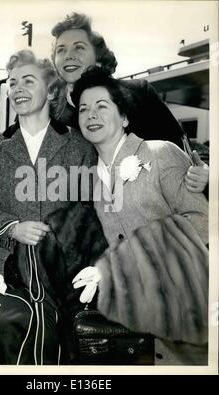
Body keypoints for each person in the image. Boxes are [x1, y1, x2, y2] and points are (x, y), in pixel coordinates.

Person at [0, 50, 103, 364]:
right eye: (13, 83)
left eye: (28, 81)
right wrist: (12, 227)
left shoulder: (80, 146)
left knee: (63, 362)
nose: (18, 89)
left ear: (52, 89)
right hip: (9, 279)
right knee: (14, 360)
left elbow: (92, 214)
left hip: (65, 283)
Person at [71, 66, 209, 365]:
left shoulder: (160, 154)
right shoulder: (92, 179)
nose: (91, 115)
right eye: (83, 109)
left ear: (124, 117)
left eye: (101, 106)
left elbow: (203, 223)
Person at [50, 12, 209, 194]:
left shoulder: (138, 93)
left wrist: (202, 173)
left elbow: (183, 150)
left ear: (98, 56)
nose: (68, 56)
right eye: (61, 50)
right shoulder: (50, 113)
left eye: (79, 48)